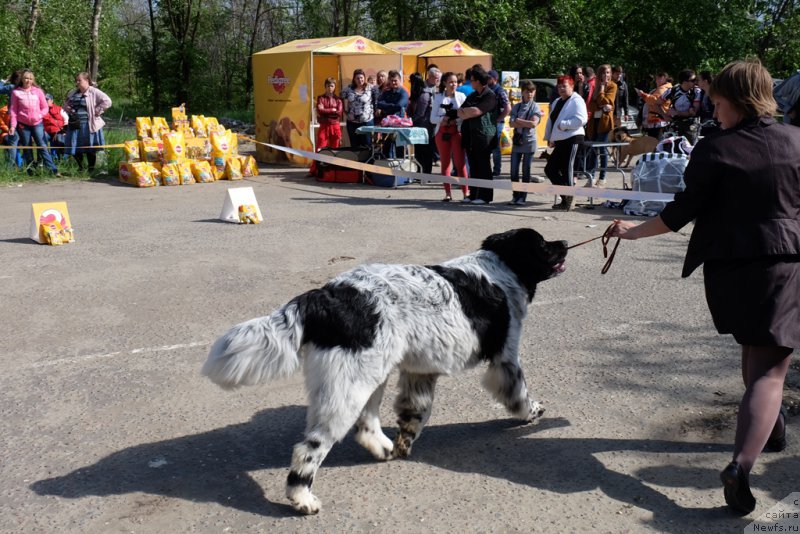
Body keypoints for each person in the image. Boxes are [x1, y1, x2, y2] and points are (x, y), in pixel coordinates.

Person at [609, 59, 799, 516]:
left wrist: (631, 232)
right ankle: (740, 465)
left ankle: (769, 429)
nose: (715, 113)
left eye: (717, 103)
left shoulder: (715, 149)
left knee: (755, 351)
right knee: (771, 368)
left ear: (736, 100)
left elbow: (680, 213)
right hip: (784, 262)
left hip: (729, 268)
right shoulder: (797, 141)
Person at [543, 75, 588, 211]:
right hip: (561, 140)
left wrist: (564, 125)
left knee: (567, 170)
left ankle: (568, 200)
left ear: (572, 86)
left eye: (565, 86)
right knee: (550, 169)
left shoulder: (577, 100)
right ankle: (567, 196)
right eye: (559, 86)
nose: (561, 88)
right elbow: (552, 120)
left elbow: (582, 119)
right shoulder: (557, 101)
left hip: (573, 138)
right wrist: (551, 137)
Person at [8, 69, 61, 176]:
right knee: (27, 147)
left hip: (37, 123)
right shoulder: (16, 92)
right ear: (22, 79)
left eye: (31, 79)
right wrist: (13, 126)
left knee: (42, 145)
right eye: (26, 78)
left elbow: (45, 107)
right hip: (23, 124)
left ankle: (53, 170)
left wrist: (40, 115)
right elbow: (13, 111)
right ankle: (30, 171)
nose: (28, 80)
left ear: (33, 80)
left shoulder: (38, 91)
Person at [457, 66, 496, 205]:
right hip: (470, 137)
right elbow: (460, 111)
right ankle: (473, 195)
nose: (470, 82)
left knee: (484, 168)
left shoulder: (490, 96)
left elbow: (476, 111)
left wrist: (467, 112)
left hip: (484, 138)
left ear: (479, 81)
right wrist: (466, 112)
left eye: (472, 80)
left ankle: (485, 197)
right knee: (473, 167)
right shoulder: (472, 95)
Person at [430, 71, 468, 201]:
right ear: (445, 83)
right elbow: (432, 119)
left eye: (456, 82)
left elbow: (465, 116)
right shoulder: (438, 97)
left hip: (457, 133)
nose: (454, 84)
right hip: (442, 133)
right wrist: (444, 119)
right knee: (445, 164)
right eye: (451, 82)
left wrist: (455, 120)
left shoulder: (462, 96)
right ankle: (447, 193)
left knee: (460, 163)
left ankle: (466, 193)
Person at [63, 72, 111, 173]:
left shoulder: (94, 91)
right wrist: (67, 108)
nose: (77, 82)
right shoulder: (73, 93)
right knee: (75, 147)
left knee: (90, 148)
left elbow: (107, 101)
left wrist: (97, 111)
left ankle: (91, 170)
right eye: (76, 80)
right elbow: (66, 104)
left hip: (89, 125)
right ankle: (81, 168)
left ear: (87, 81)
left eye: (79, 80)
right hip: (75, 124)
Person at [508, 80, 544, 205]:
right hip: (517, 142)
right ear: (522, 92)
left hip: (529, 142)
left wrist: (518, 120)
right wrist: (523, 122)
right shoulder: (517, 106)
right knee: (513, 171)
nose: (530, 94)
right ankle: (515, 195)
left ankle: (523, 197)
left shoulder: (535, 106)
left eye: (532, 91)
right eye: (527, 91)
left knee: (526, 171)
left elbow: (533, 123)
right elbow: (511, 123)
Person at [585, 64, 617, 186]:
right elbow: (591, 106)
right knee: (593, 149)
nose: (606, 75)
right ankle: (591, 177)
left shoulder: (613, 86)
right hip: (594, 122)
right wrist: (602, 105)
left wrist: (602, 91)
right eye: (603, 73)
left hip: (605, 123)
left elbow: (607, 102)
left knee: (602, 149)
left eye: (608, 73)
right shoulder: (595, 85)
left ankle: (602, 178)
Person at [309, 77, 342, 176]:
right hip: (324, 126)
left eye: (332, 85)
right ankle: (314, 170)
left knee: (335, 149)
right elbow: (320, 111)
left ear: (335, 87)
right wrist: (332, 110)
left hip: (335, 126)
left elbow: (339, 113)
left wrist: (327, 111)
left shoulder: (338, 99)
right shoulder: (320, 98)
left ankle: (333, 170)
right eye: (328, 85)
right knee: (320, 148)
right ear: (325, 87)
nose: (330, 88)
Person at [660, 69, 702, 144]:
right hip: (675, 123)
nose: (696, 82)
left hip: (691, 125)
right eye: (693, 80)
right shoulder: (672, 90)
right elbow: (657, 103)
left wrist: (677, 112)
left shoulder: (696, 92)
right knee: (673, 147)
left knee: (690, 148)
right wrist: (664, 115)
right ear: (685, 82)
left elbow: (693, 113)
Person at [341, 69, 374, 148]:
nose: (360, 80)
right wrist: (343, 110)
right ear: (354, 79)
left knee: (367, 146)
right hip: (352, 122)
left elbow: (377, 100)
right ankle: (356, 161)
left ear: (364, 78)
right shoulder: (348, 89)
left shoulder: (371, 88)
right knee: (355, 146)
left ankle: (367, 160)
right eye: (357, 78)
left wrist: (376, 110)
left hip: (366, 122)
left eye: (361, 77)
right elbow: (340, 98)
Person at [487, 69, 510, 177]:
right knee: (488, 147)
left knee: (496, 148)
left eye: (489, 78)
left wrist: (499, 119)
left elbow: (507, 108)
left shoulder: (500, 91)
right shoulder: (489, 89)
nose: (487, 79)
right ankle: (488, 170)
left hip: (497, 124)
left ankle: (496, 171)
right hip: (488, 123)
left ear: (495, 79)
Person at [637, 71, 672, 139]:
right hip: (657, 119)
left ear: (663, 78)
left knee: (656, 142)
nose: (656, 81)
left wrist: (643, 95)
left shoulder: (663, 89)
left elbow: (654, 100)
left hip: (658, 120)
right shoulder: (663, 88)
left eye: (657, 78)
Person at [43, 93, 68, 159]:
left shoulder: (59, 109)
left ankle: (63, 160)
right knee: (41, 139)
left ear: (51, 100)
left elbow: (66, 119)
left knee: (60, 140)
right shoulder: (41, 110)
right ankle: (46, 158)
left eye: (47, 99)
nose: (45, 101)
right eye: (44, 100)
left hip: (59, 131)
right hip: (47, 131)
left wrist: (64, 131)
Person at [697, 70, 720, 136]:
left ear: (705, 81)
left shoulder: (716, 94)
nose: (697, 82)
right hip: (704, 125)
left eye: (699, 80)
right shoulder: (702, 93)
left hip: (714, 127)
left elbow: (715, 113)